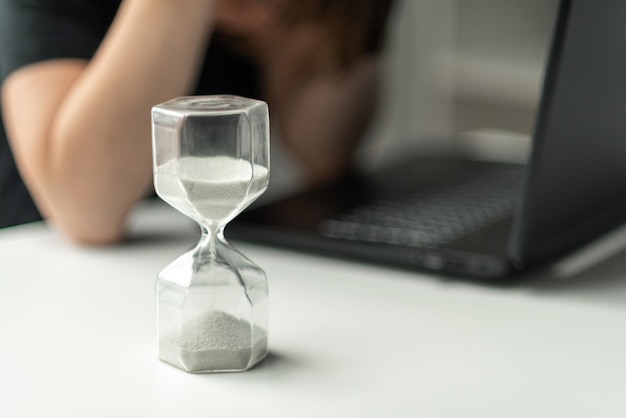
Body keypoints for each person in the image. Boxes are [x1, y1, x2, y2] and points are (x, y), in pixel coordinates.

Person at [0, 0, 394, 244]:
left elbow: (323, 151)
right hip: (32, 262)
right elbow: (85, 210)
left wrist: (316, 19)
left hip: (169, 241)